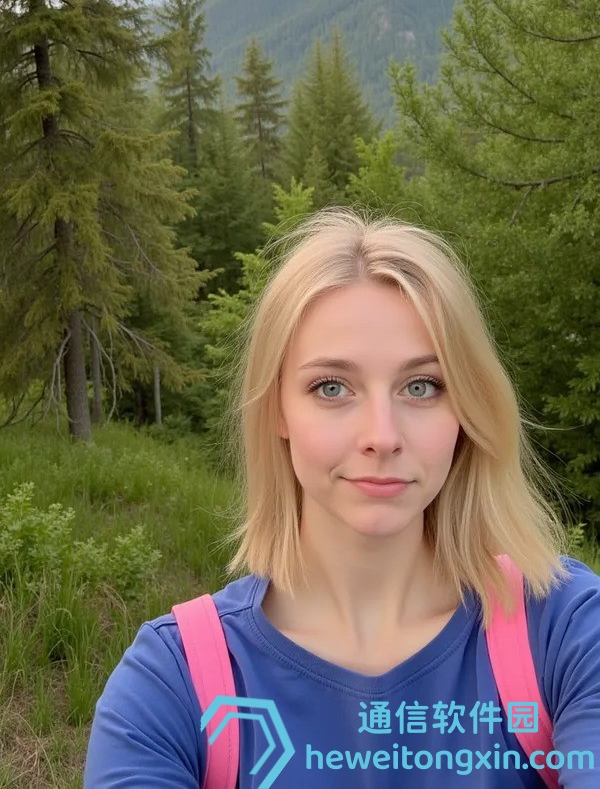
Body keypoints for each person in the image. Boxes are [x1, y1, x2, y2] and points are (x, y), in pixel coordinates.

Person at [83, 207, 600, 787]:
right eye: (332, 387)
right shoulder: (171, 683)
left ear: (467, 409)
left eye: (422, 386)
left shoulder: (567, 629)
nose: (382, 435)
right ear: (277, 409)